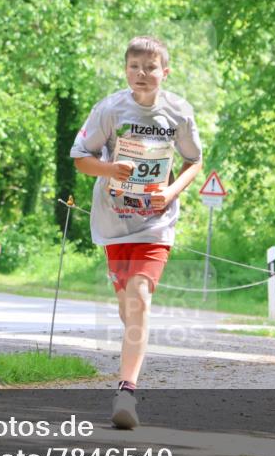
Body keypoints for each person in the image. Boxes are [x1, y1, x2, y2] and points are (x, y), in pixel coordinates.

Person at [71, 35, 203, 430]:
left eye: (150, 67)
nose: (141, 74)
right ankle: (129, 364)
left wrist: (170, 192)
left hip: (155, 223)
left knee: (140, 297)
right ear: (125, 69)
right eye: (134, 67)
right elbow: (80, 158)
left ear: (166, 71)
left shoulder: (178, 112)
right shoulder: (110, 109)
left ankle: (126, 391)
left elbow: (194, 161)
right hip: (115, 221)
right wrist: (110, 169)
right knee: (127, 305)